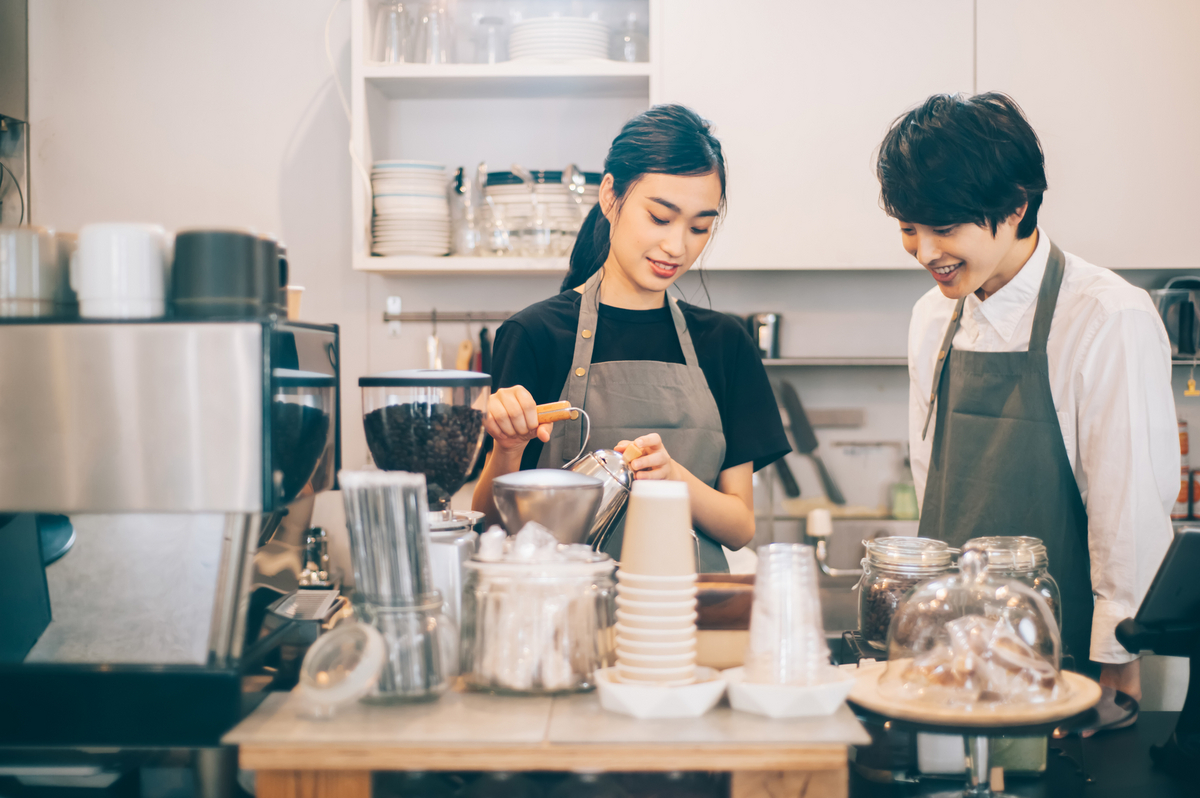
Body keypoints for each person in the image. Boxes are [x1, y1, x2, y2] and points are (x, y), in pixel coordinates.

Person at [876, 92, 1178, 697]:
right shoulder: (931, 318)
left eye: (943, 228)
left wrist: (1118, 663)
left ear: (1016, 206)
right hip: (951, 656)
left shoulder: (1106, 316)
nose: (926, 252)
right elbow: (932, 485)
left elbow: (1129, 513)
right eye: (909, 230)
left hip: (1068, 658)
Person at [471, 104, 790, 573]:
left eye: (699, 227)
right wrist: (508, 448)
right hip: (566, 606)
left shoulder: (725, 343)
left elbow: (740, 526)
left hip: (691, 609)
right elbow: (490, 525)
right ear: (609, 196)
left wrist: (673, 476)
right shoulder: (535, 335)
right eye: (660, 218)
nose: (677, 246)